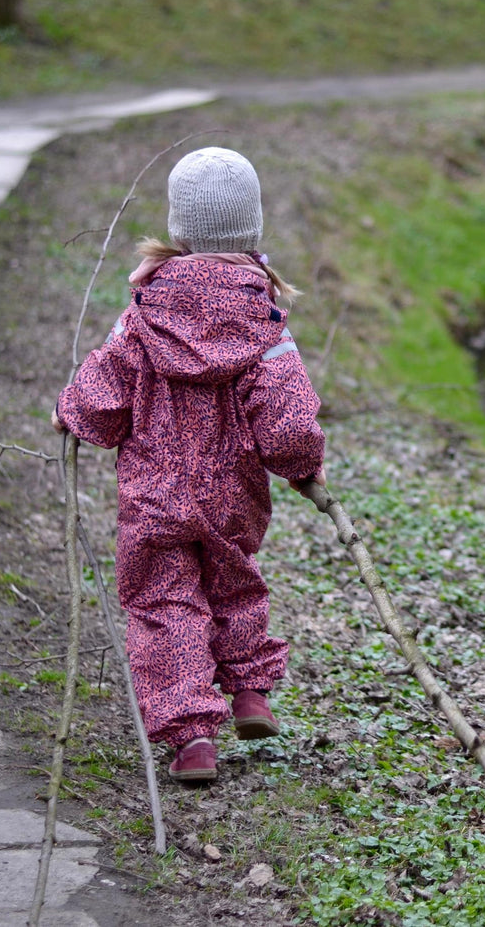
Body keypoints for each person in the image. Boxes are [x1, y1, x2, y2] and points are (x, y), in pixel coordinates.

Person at [53, 147, 326, 783]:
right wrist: (301, 467)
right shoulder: (263, 320)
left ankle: (191, 738)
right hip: (232, 494)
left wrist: (72, 412)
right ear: (253, 226)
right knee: (233, 581)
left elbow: (106, 390)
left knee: (164, 603)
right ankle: (250, 693)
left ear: (179, 228)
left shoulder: (143, 315)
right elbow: (286, 415)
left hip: (154, 494)